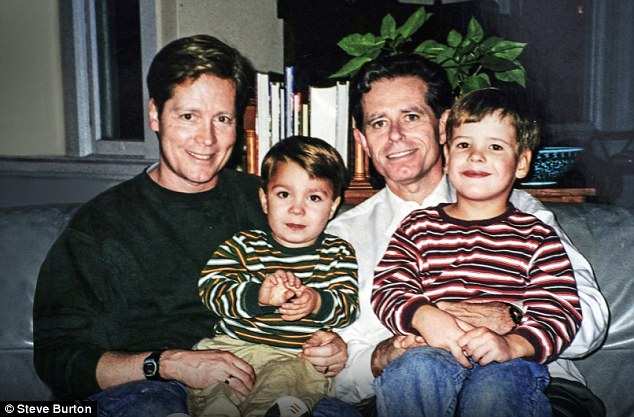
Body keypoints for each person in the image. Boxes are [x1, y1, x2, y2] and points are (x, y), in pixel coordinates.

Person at [33, 35, 347, 417]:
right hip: (149, 389)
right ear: (155, 115)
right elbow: (57, 358)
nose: (207, 139)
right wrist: (167, 364)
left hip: (268, 379)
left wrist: (331, 347)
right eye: (188, 116)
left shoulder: (271, 202)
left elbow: (325, 287)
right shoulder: (101, 225)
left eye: (222, 119)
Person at [325, 54, 608, 417]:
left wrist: (511, 318)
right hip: (407, 385)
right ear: (362, 140)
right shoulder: (341, 236)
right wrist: (383, 355)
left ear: (443, 126)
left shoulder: (523, 214)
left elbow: (588, 320)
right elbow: (331, 364)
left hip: (529, 382)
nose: (395, 135)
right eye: (379, 122)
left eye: (411, 116)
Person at [371, 87, 583, 417]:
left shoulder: (537, 235)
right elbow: (389, 286)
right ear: (446, 154)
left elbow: (559, 311)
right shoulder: (417, 227)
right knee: (413, 371)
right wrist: (424, 316)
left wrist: (512, 344)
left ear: (522, 162)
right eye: (463, 144)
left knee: (494, 390)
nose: (476, 156)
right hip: (433, 352)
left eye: (495, 146)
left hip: (506, 363)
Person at [188, 136, 359, 417]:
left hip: (293, 355)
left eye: (314, 198)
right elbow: (211, 289)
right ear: (264, 199)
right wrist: (258, 296)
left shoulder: (337, 253)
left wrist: (316, 301)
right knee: (213, 380)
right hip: (233, 346)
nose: (297, 208)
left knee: (292, 381)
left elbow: (348, 307)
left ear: (332, 206)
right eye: (283, 194)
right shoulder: (242, 245)